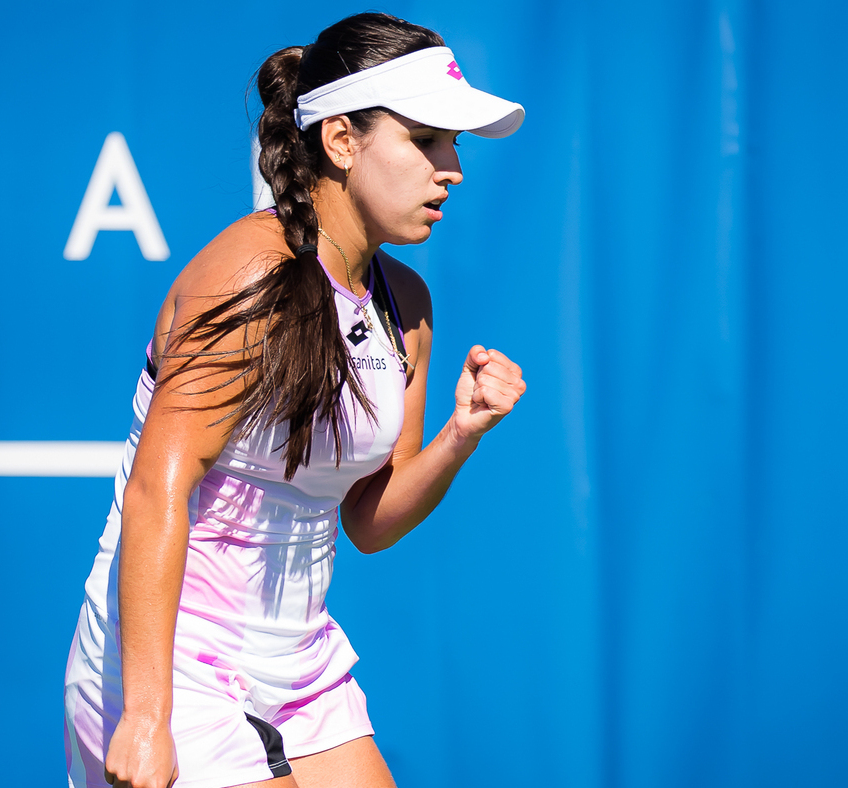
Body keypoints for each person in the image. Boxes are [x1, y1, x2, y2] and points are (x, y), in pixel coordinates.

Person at [64, 12, 527, 788]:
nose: (451, 169)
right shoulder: (246, 277)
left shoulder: (408, 305)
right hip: (168, 663)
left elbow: (369, 520)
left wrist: (463, 432)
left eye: (453, 144)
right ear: (341, 140)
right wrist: (145, 716)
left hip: (301, 664)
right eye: (425, 140)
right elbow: (153, 492)